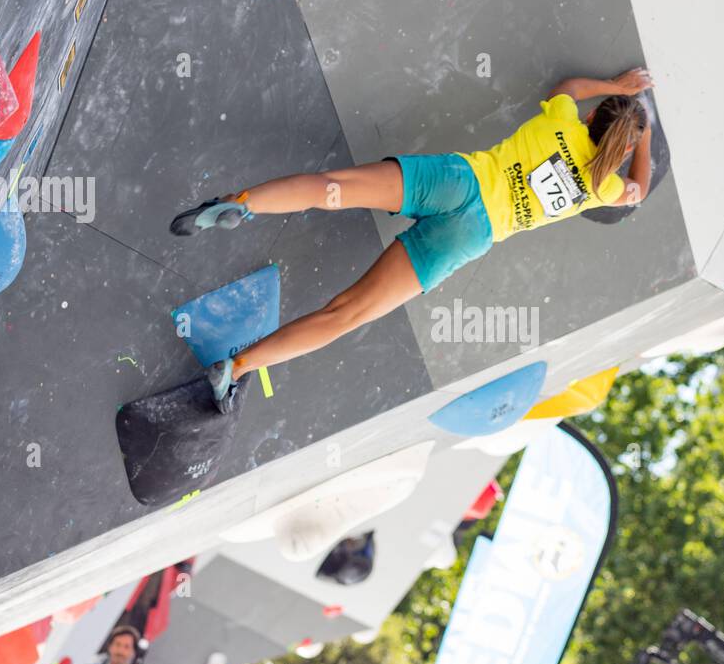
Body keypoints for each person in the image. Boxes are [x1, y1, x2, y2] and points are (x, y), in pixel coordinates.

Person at [171, 68, 656, 412]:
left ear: (593, 118)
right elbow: (640, 189)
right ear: (621, 149)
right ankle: (234, 369)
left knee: (329, 189)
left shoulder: (561, 120)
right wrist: (645, 136)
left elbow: (569, 86)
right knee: (343, 315)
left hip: (457, 179)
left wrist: (620, 87)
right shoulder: (602, 189)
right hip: (468, 237)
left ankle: (240, 203)